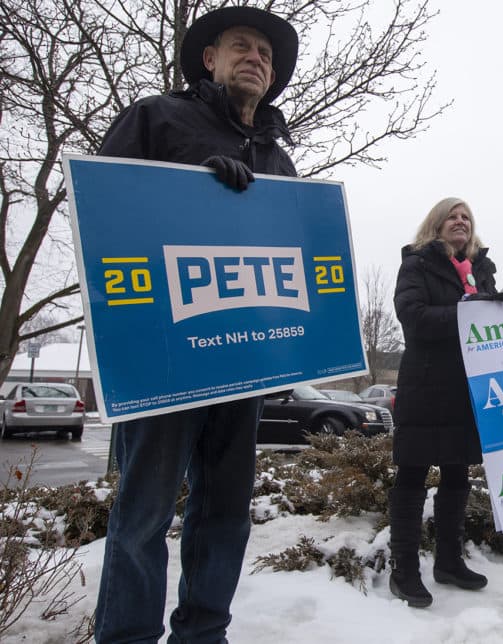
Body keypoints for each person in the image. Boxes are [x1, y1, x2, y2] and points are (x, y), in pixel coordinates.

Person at [94, 7, 300, 642]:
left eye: (265, 54)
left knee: (225, 514)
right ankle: (126, 634)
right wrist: (195, 191)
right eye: (241, 46)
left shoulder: (278, 159)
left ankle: (204, 631)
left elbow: (292, 251)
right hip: (166, 360)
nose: (255, 59)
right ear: (208, 59)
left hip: (242, 365)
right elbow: (105, 211)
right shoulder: (155, 118)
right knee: (144, 512)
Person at [390, 197, 503, 608]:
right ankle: (403, 570)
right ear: (437, 226)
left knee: (458, 475)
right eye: (453, 217)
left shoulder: (482, 270)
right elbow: (413, 317)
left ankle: (449, 562)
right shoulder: (417, 264)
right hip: (425, 386)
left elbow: (492, 326)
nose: (461, 222)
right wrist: (466, 311)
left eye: (467, 218)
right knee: (412, 475)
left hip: (466, 390)